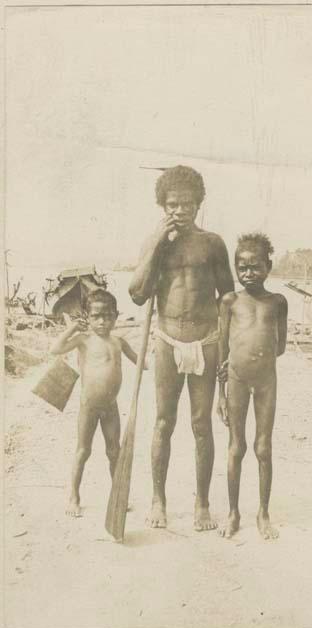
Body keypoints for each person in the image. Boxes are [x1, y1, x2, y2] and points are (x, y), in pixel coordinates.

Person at [129, 165, 234, 531]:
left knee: (201, 424)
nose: (179, 210)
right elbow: (138, 294)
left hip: (206, 341)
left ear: (198, 203)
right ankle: (158, 499)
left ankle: (202, 504)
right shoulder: (153, 243)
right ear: (162, 205)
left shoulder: (213, 244)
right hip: (168, 340)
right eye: (172, 204)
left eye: (187, 204)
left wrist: (228, 350)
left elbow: (228, 299)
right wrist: (158, 245)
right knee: (163, 422)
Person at [217, 233, 288, 540]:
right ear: (236, 269)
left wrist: (259, 359)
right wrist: (220, 395)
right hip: (236, 379)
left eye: (255, 267)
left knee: (263, 447)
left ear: (268, 267)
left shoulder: (278, 302)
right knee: (236, 446)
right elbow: (222, 350)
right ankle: (233, 513)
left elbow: (280, 345)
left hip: (266, 382)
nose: (248, 273)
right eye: (242, 267)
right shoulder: (230, 301)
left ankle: (263, 513)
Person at [50, 289, 139, 517]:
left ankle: (117, 494)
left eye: (107, 316)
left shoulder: (118, 342)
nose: (102, 321)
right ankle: (74, 497)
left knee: (114, 451)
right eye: (96, 316)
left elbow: (141, 363)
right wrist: (72, 328)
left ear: (116, 316)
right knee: (83, 451)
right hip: (89, 406)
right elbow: (55, 349)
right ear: (87, 317)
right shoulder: (83, 340)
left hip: (111, 406)